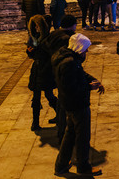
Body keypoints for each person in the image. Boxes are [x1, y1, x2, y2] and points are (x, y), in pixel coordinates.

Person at [53, 33, 104, 176]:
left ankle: (61, 165)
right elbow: (71, 87)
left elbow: (80, 74)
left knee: (70, 135)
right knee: (82, 137)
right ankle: (83, 167)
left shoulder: (68, 58)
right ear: (79, 48)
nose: (86, 52)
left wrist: (92, 80)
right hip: (77, 105)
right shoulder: (69, 63)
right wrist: (89, 87)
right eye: (85, 49)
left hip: (70, 104)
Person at [42, 14, 77, 143]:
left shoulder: (54, 34)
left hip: (50, 69)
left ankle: (61, 128)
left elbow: (45, 47)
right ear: (72, 25)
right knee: (64, 103)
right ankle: (62, 133)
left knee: (59, 100)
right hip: (61, 71)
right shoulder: (67, 38)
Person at [26, 15, 58, 131]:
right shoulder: (33, 38)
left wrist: (37, 52)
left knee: (49, 94)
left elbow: (49, 54)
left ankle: (60, 114)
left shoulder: (48, 38)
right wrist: (30, 52)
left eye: (37, 25)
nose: (36, 28)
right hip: (36, 70)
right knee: (36, 97)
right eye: (34, 26)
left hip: (46, 69)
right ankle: (35, 122)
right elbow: (32, 55)